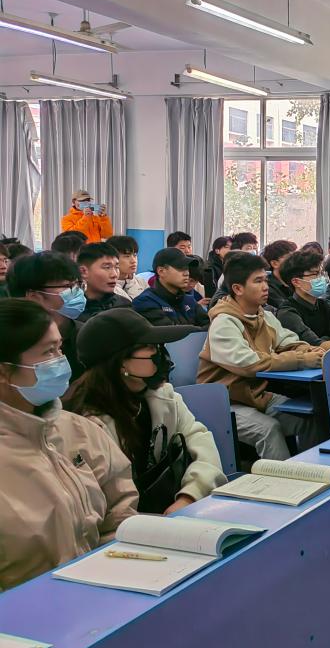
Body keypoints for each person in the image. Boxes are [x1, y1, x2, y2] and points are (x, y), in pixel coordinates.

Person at [0, 299, 137, 590]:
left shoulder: (77, 429)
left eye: (60, 349)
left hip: (102, 586)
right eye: (48, 352)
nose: (60, 361)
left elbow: (120, 505)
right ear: (3, 372)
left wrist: (108, 568)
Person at [66, 310, 226, 514]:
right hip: (124, 525)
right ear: (120, 362)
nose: (160, 354)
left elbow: (201, 443)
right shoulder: (86, 424)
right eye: (150, 347)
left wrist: (189, 496)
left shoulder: (164, 397)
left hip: (173, 512)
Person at [197, 252, 326, 460]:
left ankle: (312, 471)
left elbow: (287, 341)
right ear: (238, 289)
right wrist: (302, 360)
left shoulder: (263, 315)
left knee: (308, 420)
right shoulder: (223, 322)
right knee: (269, 430)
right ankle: (282, 480)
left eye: (266, 280)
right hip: (225, 402)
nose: (266, 286)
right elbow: (249, 364)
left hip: (256, 396)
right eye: (258, 281)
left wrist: (310, 351)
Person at [6, 252, 88, 381]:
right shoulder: (9, 341)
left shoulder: (87, 335)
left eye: (78, 284)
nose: (77, 291)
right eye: (68, 287)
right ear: (33, 297)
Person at [275, 249, 330, 348]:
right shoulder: (287, 312)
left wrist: (325, 342)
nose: (321, 278)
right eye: (315, 274)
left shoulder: (323, 304)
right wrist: (327, 340)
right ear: (296, 282)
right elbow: (315, 345)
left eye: (321, 273)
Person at [132, 248, 210, 328]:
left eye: (187, 269)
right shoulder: (145, 302)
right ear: (161, 271)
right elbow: (170, 333)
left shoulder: (189, 300)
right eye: (180, 268)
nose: (187, 273)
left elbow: (209, 326)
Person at [77, 243, 133, 321]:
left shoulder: (124, 305)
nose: (114, 274)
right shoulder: (74, 309)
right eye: (107, 267)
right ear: (83, 272)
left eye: (117, 267)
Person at [107, 235, 147, 300]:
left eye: (135, 255)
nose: (133, 261)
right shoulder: (105, 287)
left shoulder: (141, 282)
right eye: (127, 256)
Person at [263, 240, 297, 310]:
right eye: (290, 258)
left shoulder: (295, 282)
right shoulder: (268, 287)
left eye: (295, 257)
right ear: (275, 264)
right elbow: (288, 308)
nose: (295, 261)